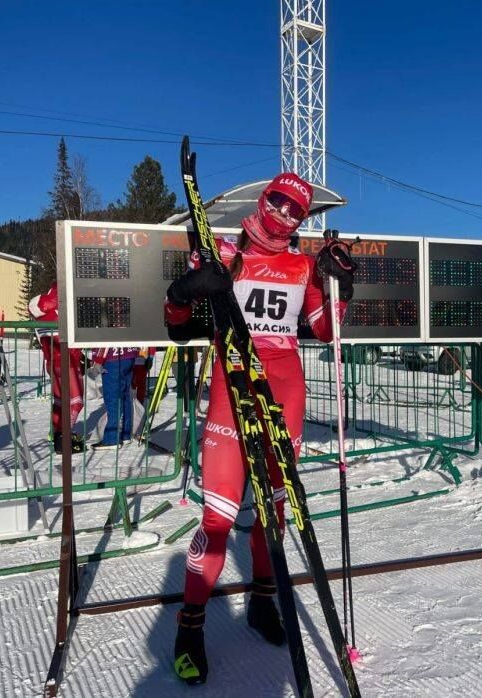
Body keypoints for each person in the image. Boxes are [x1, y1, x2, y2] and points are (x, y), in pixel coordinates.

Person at [164, 173, 356, 686]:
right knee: (219, 518)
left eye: (298, 211)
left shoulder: (301, 265)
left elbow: (325, 331)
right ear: (263, 198)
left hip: (285, 393)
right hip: (234, 390)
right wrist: (184, 291)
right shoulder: (223, 251)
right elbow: (179, 326)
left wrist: (341, 287)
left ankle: (263, 604)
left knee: (276, 512)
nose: (286, 216)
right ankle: (189, 628)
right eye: (279, 203)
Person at [29, 282, 85, 454]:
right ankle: (64, 438)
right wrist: (81, 359)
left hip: (53, 363)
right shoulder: (61, 312)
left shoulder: (41, 313)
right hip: (67, 362)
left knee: (60, 402)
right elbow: (69, 342)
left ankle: (58, 434)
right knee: (75, 403)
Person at [88, 347, 139, 449]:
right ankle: (125, 434)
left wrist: (98, 360)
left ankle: (111, 439)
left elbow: (105, 336)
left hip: (113, 357)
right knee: (124, 395)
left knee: (113, 397)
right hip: (129, 355)